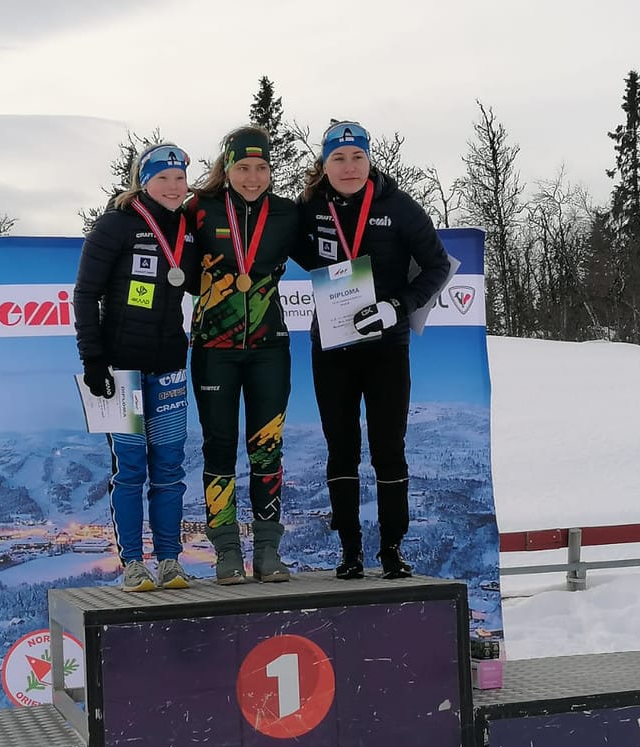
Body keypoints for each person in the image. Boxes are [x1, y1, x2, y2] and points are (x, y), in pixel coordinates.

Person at [297, 120, 450, 579]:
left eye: (357, 157)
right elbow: (281, 244)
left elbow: (437, 266)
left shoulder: (398, 206)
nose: (348, 167)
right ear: (324, 165)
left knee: (389, 447)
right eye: (338, 158)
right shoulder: (308, 208)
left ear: (369, 160)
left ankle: (391, 549)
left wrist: (396, 307)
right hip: (332, 345)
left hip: (386, 346)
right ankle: (349, 551)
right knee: (340, 448)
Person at [74, 142, 198, 592]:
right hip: (121, 369)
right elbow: (86, 295)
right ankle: (133, 563)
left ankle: (170, 560)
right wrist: (93, 361)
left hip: (168, 364)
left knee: (169, 467)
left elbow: (202, 278)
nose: (171, 186)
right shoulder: (115, 225)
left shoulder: (189, 226)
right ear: (143, 181)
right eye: (162, 177)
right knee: (130, 468)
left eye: (179, 178)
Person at [184, 126, 300, 584]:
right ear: (227, 168)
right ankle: (227, 550)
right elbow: (159, 234)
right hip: (214, 349)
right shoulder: (199, 210)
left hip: (271, 349)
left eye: (261, 168)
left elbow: (334, 253)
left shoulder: (288, 214)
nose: (253, 177)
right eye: (243, 167)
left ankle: (268, 549)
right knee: (219, 448)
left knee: (267, 449)